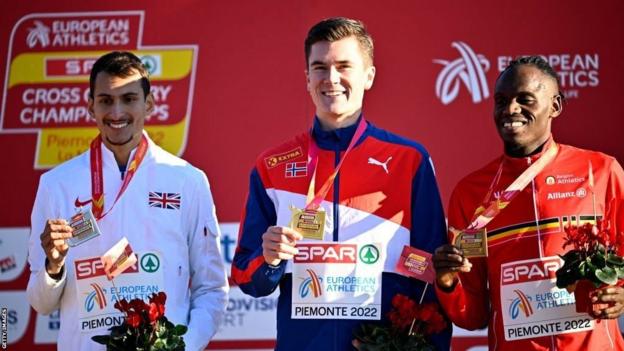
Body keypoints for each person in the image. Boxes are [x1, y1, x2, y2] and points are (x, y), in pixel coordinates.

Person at [232, 17, 450, 350]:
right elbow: (246, 277)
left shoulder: (410, 160)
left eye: (344, 66)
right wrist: (271, 260)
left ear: (369, 76)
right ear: (307, 79)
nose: (331, 79)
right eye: (319, 68)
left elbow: (432, 276)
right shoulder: (271, 166)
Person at [26, 51, 228, 351]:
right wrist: (53, 267)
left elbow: (211, 289)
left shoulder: (188, 181)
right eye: (106, 100)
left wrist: (179, 346)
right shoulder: (57, 184)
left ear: (149, 103)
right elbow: (41, 304)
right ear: (90, 105)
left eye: (129, 98)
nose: (117, 112)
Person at [433, 56, 624, 350]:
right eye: (501, 100)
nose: (510, 109)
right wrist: (448, 283)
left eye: (526, 99)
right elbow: (473, 316)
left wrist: (621, 293)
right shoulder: (470, 193)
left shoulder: (600, 171)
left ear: (556, 106)